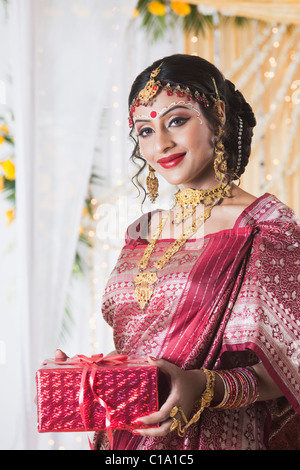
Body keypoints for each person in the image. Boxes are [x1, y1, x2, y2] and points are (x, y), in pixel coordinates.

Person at [58, 54, 300, 450]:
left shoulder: (264, 226)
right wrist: (88, 375)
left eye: (176, 120)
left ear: (216, 118)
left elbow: (291, 365)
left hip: (215, 439)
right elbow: (135, 349)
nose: (162, 144)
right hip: (127, 437)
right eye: (145, 131)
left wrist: (203, 386)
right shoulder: (142, 230)